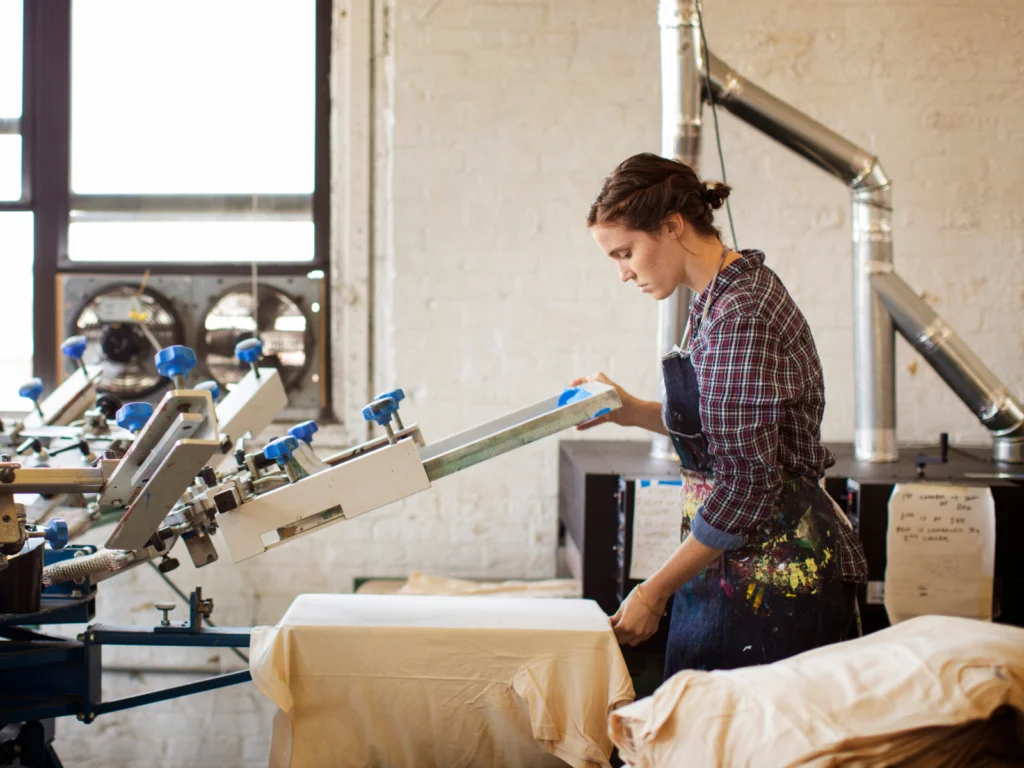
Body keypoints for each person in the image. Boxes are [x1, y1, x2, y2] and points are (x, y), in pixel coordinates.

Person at [572, 153, 868, 676]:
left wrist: (654, 592)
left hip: (773, 581)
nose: (623, 273)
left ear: (671, 226)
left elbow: (746, 485)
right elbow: (727, 429)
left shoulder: (740, 316)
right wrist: (630, 410)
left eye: (626, 253)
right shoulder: (719, 298)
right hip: (735, 564)